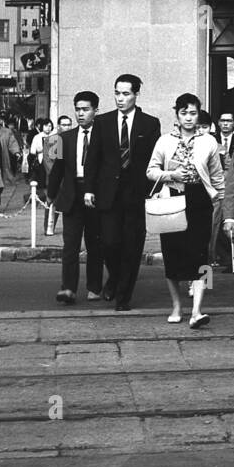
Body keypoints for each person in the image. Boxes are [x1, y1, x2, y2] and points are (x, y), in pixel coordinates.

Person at [83, 74, 162, 312]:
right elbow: (92, 159)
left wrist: (155, 191)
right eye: (117, 93)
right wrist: (88, 189)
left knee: (132, 245)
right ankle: (115, 278)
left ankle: (123, 296)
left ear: (136, 94)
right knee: (109, 242)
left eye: (126, 93)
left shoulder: (150, 123)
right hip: (108, 193)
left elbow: (154, 160)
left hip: (136, 194)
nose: (120, 98)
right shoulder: (103, 122)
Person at [147, 92, 225, 328]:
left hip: (200, 199)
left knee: (201, 253)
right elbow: (150, 171)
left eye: (193, 113)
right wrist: (171, 175)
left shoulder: (209, 141)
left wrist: (220, 201)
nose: (189, 118)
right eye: (184, 113)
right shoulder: (164, 141)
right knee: (172, 254)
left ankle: (197, 310)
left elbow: (217, 176)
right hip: (172, 198)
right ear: (177, 114)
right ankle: (177, 307)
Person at [49, 92, 104, 306]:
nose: (81, 113)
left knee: (95, 244)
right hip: (71, 196)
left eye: (86, 109)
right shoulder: (64, 138)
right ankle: (69, 288)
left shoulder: (103, 137)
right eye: (78, 109)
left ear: (95, 111)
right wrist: (51, 195)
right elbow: (57, 170)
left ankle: (94, 287)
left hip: (95, 198)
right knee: (70, 245)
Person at [211, 110, 234, 273]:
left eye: (229, 121)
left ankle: (233, 260)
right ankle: (220, 257)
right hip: (214, 189)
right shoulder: (211, 141)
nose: (225, 124)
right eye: (222, 120)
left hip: (232, 187)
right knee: (215, 224)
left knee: (230, 221)